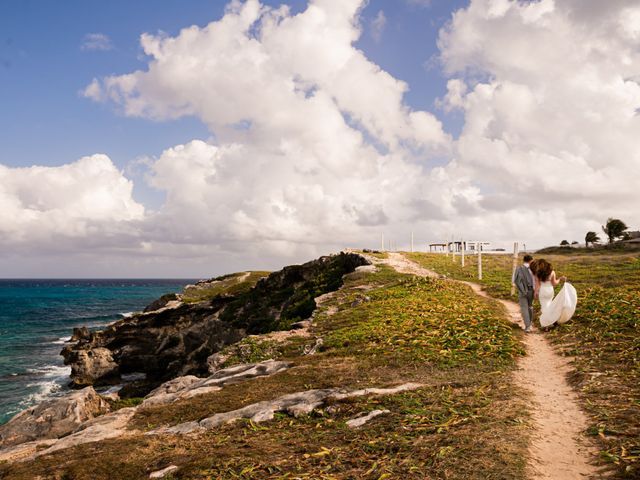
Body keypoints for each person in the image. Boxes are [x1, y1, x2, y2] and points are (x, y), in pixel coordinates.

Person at [533, 259, 577, 328]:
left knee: (544, 306)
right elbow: (554, 283)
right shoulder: (552, 272)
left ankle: (546, 324)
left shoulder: (538, 273)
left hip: (542, 290)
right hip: (550, 290)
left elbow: (537, 284)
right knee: (550, 306)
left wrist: (535, 292)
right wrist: (559, 279)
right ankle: (550, 322)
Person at [512, 254, 535, 332]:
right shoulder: (534, 269)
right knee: (530, 306)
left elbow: (515, 280)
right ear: (531, 260)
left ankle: (528, 326)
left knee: (524, 308)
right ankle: (530, 323)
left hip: (523, 291)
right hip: (532, 290)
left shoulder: (518, 268)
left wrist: (522, 290)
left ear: (524, 260)